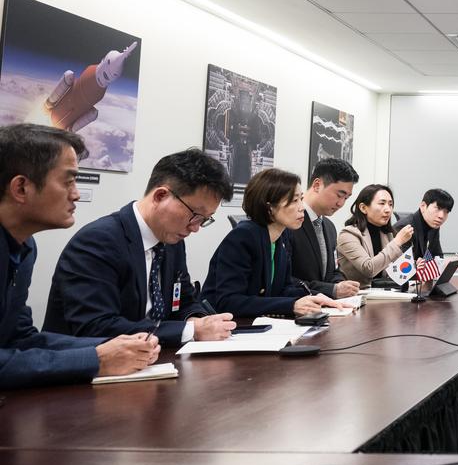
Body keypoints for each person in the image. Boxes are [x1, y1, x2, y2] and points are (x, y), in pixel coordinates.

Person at [0, 123, 157, 388]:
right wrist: (96, 360)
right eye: (68, 181)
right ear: (21, 188)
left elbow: (19, 338)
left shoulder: (25, 247)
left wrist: (114, 346)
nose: (76, 194)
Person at [44, 149, 237, 346]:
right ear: (160, 196)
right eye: (195, 215)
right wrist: (190, 331)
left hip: (153, 356)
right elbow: (96, 326)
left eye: (204, 220)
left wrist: (198, 320)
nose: (195, 228)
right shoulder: (98, 242)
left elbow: (184, 301)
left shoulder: (173, 242)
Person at [202, 168, 342, 318]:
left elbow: (284, 289)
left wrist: (315, 296)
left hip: (258, 322)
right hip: (222, 323)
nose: (302, 207)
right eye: (294, 201)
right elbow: (229, 301)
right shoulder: (243, 236)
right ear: (269, 208)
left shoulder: (282, 236)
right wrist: (292, 305)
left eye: (301, 199)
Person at [285, 157, 361, 299]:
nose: (341, 203)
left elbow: (332, 271)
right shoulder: (288, 223)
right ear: (317, 185)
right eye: (339, 195)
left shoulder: (329, 227)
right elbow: (285, 278)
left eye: (346, 198)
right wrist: (331, 290)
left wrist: (341, 284)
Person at [336, 184, 415, 288]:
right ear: (363, 208)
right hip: (357, 294)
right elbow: (369, 269)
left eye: (390, 204)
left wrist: (413, 266)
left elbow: (395, 270)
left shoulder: (387, 234)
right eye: (382, 203)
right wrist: (397, 242)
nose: (388, 210)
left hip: (383, 292)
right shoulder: (348, 234)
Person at [393, 188, 454, 264]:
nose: (441, 216)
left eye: (446, 212)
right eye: (438, 208)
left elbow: (438, 256)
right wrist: (416, 264)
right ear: (423, 206)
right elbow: (402, 265)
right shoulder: (403, 227)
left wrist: (449, 263)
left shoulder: (434, 225)